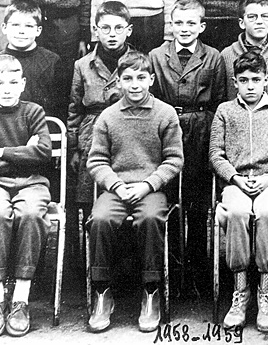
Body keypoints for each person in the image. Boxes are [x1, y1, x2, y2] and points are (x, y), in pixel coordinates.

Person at [85, 52, 183, 333]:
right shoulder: (108, 116)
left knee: (151, 218)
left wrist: (147, 185)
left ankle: (151, 291)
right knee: (100, 219)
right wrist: (116, 185)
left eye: (141, 77)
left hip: (150, 189)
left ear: (151, 79)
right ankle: (102, 291)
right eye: (127, 78)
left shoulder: (165, 114)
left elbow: (174, 159)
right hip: (116, 190)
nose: (135, 84)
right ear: (118, 81)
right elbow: (96, 161)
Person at [209, 51, 268, 332]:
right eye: (243, 80)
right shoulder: (225, 111)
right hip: (236, 184)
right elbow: (216, 154)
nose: (250, 86)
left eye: (256, 80)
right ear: (235, 82)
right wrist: (234, 178)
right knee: (237, 211)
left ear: (266, 80)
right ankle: (241, 291)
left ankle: (265, 291)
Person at [0, 54, 52, 338]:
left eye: (13, 82)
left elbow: (43, 154)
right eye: (0, 83)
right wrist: (22, 153)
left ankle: (20, 300)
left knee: (31, 213)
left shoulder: (34, 112)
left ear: (23, 84)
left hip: (32, 183)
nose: (7, 89)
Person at [148, 0, 227, 292]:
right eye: (178, 23)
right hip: (166, 128)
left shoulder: (213, 57)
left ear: (201, 26)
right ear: (170, 25)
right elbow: (151, 98)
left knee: (197, 200)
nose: (184, 29)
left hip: (200, 131)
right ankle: (171, 267)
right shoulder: (156, 56)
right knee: (168, 197)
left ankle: (197, 270)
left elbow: (219, 100)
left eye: (191, 23)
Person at [68, 1, 135, 207]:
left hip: (128, 130)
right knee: (90, 193)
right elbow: (75, 109)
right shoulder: (82, 65)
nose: (112, 34)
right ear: (95, 30)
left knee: (124, 192)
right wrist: (74, 148)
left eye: (118, 28)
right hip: (92, 133)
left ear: (129, 30)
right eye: (105, 28)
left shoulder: (138, 62)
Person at [0, 0, 61, 119]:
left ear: (38, 30)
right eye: (15, 25)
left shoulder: (52, 61)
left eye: (29, 26)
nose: (21, 31)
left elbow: (61, 108)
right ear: (4, 28)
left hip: (42, 127)